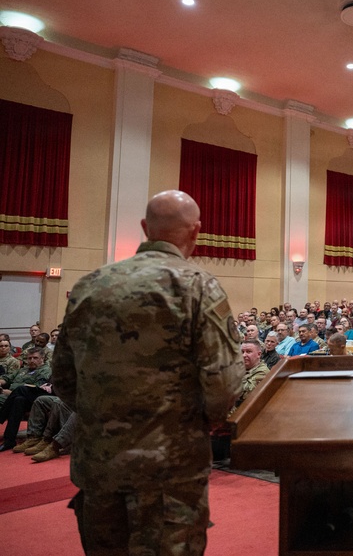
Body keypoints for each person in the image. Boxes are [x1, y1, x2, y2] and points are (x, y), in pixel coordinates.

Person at [52, 190, 242, 555]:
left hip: (100, 464)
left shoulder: (90, 285)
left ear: (145, 228)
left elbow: (63, 376)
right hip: (169, 469)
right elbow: (224, 383)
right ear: (196, 232)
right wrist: (200, 421)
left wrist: (108, 417)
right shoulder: (197, 285)